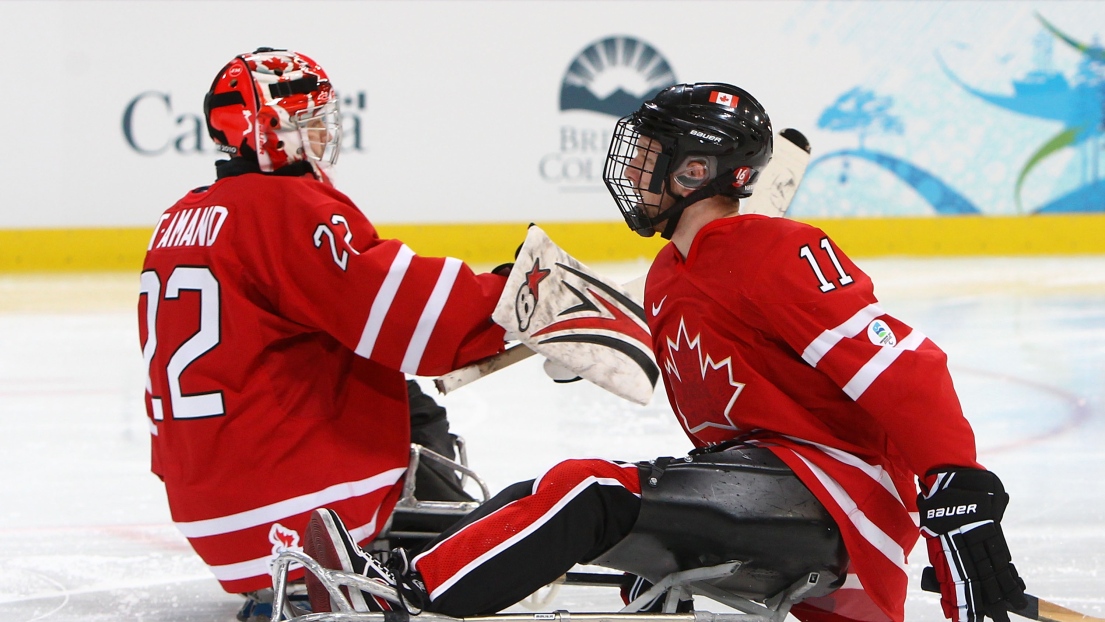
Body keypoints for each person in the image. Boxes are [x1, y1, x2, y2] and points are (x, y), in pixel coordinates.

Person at [304, 83, 1029, 622]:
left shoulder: (775, 250)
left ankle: (405, 601)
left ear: (698, 173)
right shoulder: (672, 272)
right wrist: (586, 337)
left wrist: (956, 488)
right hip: (757, 480)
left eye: (652, 158)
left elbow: (903, 367)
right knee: (545, 492)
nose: (634, 172)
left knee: (591, 489)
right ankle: (397, 569)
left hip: (835, 495)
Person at [137, 47, 509, 607]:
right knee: (405, 400)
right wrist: (511, 297)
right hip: (289, 516)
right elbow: (409, 317)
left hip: (211, 510)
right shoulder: (281, 205)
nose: (322, 135)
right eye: (307, 122)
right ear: (265, 127)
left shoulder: (178, 218)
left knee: (360, 368)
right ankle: (437, 551)